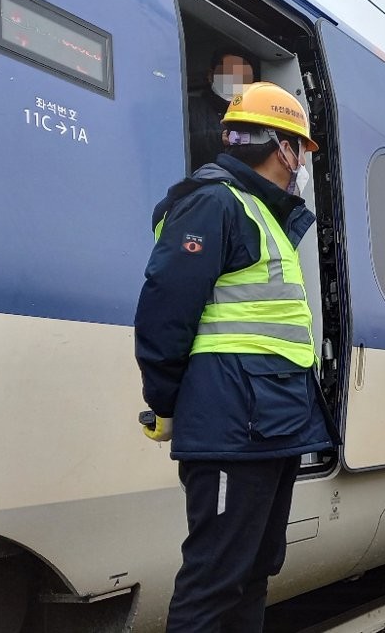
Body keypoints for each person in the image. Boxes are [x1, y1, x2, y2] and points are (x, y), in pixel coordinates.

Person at [135, 81, 334, 632]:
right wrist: (167, 402)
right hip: (232, 424)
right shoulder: (214, 202)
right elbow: (164, 310)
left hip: (270, 424)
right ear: (280, 145)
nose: (299, 165)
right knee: (215, 580)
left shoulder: (262, 214)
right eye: (299, 149)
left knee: (253, 570)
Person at [188, 48, 259, 170]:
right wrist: (220, 139)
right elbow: (176, 144)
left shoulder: (255, 117)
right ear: (211, 76)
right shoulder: (189, 107)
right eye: (229, 73)